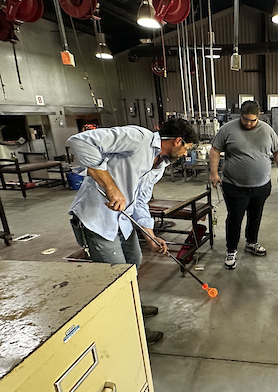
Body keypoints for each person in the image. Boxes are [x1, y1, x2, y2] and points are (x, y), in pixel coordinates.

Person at [68, 118, 198, 345]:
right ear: (178, 141)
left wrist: (150, 234)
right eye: (187, 148)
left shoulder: (160, 165)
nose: (186, 154)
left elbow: (140, 202)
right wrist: (111, 186)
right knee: (117, 277)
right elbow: (80, 141)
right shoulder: (139, 138)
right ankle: (129, 331)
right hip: (97, 220)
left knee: (134, 261)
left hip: (123, 221)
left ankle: (132, 305)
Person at [209, 100, 278, 270]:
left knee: (255, 215)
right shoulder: (228, 129)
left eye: (253, 120)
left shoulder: (267, 130)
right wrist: (214, 173)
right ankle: (231, 250)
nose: (249, 123)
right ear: (240, 115)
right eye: (245, 119)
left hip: (261, 185)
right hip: (234, 185)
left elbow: (277, 150)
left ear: (259, 117)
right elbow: (215, 150)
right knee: (235, 217)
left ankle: (251, 242)